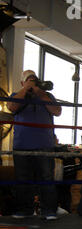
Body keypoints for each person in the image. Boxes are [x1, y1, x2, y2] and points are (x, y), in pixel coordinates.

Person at [7, 70, 62, 220]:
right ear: (22, 83)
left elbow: (57, 111)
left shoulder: (47, 96)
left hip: (44, 144)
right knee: (23, 179)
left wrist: (42, 94)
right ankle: (24, 210)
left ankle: (49, 210)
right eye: (29, 80)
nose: (32, 83)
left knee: (46, 178)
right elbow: (12, 107)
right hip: (22, 145)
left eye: (34, 80)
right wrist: (26, 90)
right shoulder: (16, 95)